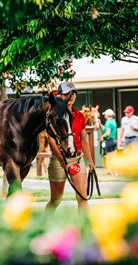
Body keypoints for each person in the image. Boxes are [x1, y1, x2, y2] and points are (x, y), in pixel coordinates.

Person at [46, 82, 95, 214]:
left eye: (73, 93)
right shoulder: (55, 115)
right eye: (68, 94)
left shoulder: (79, 116)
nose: (71, 96)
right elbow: (51, 141)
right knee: (56, 200)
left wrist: (90, 161)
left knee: (83, 197)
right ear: (61, 96)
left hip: (77, 159)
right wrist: (62, 161)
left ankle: (83, 229)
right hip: (58, 161)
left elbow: (83, 140)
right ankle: (44, 227)